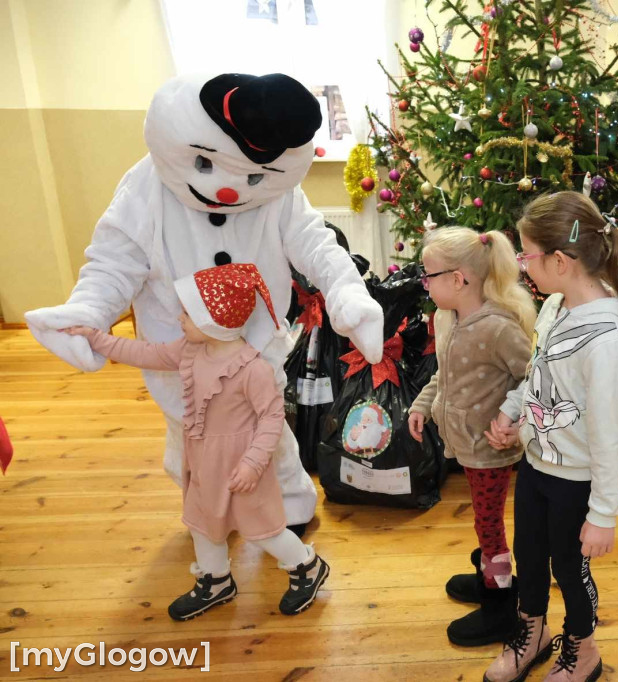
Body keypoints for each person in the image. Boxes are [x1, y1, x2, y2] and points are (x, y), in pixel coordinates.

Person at [23, 73, 384, 538]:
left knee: (268, 434)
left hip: (253, 348)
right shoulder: (146, 187)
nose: (228, 191)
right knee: (190, 438)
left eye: (252, 177)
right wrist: (89, 313)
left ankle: (289, 507)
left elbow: (316, 245)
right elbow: (115, 259)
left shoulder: (280, 193)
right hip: (179, 351)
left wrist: (348, 293)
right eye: (208, 166)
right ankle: (210, 513)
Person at [62, 263, 330, 620]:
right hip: (203, 460)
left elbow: (271, 418)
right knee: (202, 523)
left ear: (213, 322)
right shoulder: (189, 350)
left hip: (240, 466)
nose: (180, 319)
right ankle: (216, 580)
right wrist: (97, 338)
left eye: (188, 313)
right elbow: (145, 353)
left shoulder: (252, 369)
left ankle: (306, 566)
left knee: (263, 530)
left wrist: (252, 463)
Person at [481, 192, 618, 682]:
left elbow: (609, 439)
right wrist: (514, 412)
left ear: (559, 261)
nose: (522, 267)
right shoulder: (556, 305)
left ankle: (583, 649)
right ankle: (532, 632)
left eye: (526, 256)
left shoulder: (607, 342)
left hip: (578, 483)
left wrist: (603, 515)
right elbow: (541, 375)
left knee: (571, 571)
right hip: (537, 468)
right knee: (531, 558)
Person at [408, 227, 534, 647]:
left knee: (489, 527)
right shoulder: (452, 319)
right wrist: (422, 405)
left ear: (458, 280)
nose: (424, 285)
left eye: (429, 276)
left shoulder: (498, 329)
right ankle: (489, 576)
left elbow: (533, 378)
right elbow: (445, 376)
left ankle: (499, 601)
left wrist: (509, 417)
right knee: (484, 522)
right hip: (465, 443)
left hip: (489, 450)